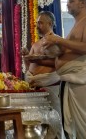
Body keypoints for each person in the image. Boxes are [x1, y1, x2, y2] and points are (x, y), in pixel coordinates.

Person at [43, 0, 86, 139]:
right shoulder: (77, 24)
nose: (67, 4)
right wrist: (52, 50)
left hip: (83, 80)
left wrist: (59, 40)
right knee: (76, 125)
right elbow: (68, 50)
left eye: (71, 1)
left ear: (82, 3)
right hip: (71, 80)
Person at [22, 11, 63, 139]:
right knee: (37, 120)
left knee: (53, 118)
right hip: (34, 85)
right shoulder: (36, 43)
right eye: (37, 23)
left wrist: (37, 60)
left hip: (50, 85)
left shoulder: (57, 41)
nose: (37, 25)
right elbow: (29, 66)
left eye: (40, 23)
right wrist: (26, 55)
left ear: (49, 23)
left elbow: (59, 64)